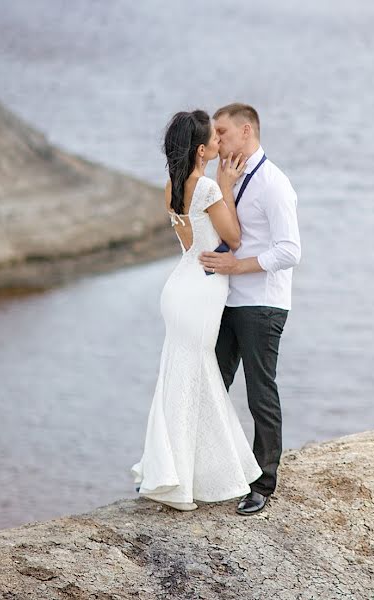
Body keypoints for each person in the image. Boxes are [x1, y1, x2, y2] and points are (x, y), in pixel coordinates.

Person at [130, 110, 263, 511]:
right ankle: (185, 481)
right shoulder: (205, 187)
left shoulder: (171, 185)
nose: (222, 143)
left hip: (180, 288)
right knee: (196, 377)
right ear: (203, 149)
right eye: (215, 139)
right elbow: (234, 238)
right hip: (201, 291)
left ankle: (178, 474)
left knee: (181, 379)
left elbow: (192, 242)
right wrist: (225, 185)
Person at [199, 103, 301, 515]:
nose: (216, 140)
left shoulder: (274, 183)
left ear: (246, 131)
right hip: (227, 299)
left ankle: (263, 483)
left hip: (263, 303)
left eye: (221, 132)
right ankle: (209, 472)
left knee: (260, 392)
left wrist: (238, 266)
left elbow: (290, 250)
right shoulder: (230, 176)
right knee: (212, 383)